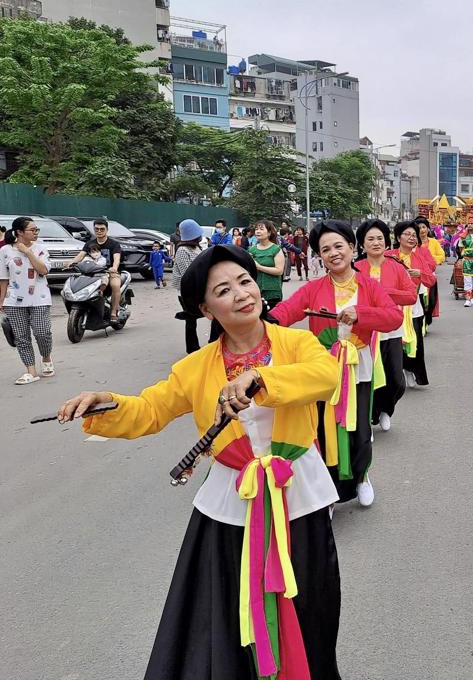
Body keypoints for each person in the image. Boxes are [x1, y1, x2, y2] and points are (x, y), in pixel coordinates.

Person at [57, 244, 343, 680]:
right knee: (227, 612)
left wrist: (262, 377)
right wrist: (105, 403)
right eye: (224, 290)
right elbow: (151, 410)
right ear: (207, 310)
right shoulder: (195, 368)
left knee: (309, 606)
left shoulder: (296, 342)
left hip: (297, 497)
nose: (242, 294)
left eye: (245, 281)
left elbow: (325, 377)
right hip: (232, 503)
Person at [270, 221, 402, 509]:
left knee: (359, 431)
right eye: (325, 249)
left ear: (352, 249)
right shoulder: (314, 288)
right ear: (320, 256)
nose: (333, 253)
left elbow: (394, 317)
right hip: (324, 370)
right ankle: (327, 491)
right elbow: (288, 310)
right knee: (323, 430)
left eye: (339, 246)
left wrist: (361, 314)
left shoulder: (370, 287)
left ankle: (361, 477)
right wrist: (266, 321)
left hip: (359, 367)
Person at [355, 219, 418, 432]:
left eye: (380, 238)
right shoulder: (355, 269)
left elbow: (410, 296)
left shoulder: (396, 267)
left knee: (395, 379)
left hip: (391, 330)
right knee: (368, 378)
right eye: (370, 239)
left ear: (387, 241)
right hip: (363, 333)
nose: (376, 243)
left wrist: (382, 292)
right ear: (362, 244)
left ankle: (385, 409)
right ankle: (367, 418)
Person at [0, 216, 54, 385]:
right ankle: (30, 371)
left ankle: (46, 357)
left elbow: (43, 270)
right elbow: (3, 278)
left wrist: (28, 252)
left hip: (40, 298)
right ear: (19, 232)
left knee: (42, 333)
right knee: (21, 337)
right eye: (33, 230)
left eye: (36, 229)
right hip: (13, 300)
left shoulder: (41, 249)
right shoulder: (5, 251)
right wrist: (1, 300)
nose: (36, 232)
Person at [388, 220, 436, 388]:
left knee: (414, 342)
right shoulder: (389, 256)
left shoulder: (419, 257)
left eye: (414, 235)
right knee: (395, 342)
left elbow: (431, 279)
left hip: (413, 307)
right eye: (407, 234)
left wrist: (420, 273)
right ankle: (397, 372)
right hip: (393, 306)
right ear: (398, 237)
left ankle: (410, 371)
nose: (411, 238)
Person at [70, 217, 122, 323]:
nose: (99, 231)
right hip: (92, 273)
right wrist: (70, 263)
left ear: (107, 230)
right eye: (96, 229)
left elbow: (117, 258)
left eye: (102, 229)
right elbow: (80, 256)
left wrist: (114, 268)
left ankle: (113, 312)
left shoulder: (114, 244)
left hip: (109, 272)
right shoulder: (89, 243)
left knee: (116, 285)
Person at [172, 220, 204, 353]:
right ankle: (192, 349)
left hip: (198, 288)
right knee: (191, 321)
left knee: (196, 316)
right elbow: (187, 273)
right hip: (187, 291)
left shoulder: (197, 247)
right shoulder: (182, 250)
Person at [248, 219, 285, 311]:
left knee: (271, 319)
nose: (258, 231)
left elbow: (279, 271)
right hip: (256, 290)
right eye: (256, 229)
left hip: (272, 291)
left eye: (261, 229)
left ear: (269, 233)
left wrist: (259, 267)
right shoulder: (252, 250)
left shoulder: (276, 249)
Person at [414, 217, 443, 326]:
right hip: (415, 276)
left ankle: (427, 318)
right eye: (419, 227)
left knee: (430, 300)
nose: (422, 230)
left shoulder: (434, 242)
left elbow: (441, 255)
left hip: (429, 275)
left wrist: (428, 262)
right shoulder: (412, 242)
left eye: (424, 227)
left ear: (428, 228)